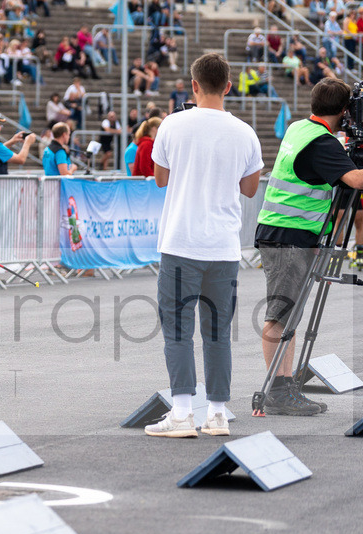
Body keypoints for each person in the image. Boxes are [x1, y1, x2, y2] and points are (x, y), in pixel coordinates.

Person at [145, 53, 263, 438]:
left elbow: (161, 179)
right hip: (223, 246)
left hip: (181, 242)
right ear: (228, 86)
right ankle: (217, 413)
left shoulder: (172, 124)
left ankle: (181, 413)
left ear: (193, 85)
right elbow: (249, 189)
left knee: (177, 330)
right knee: (218, 334)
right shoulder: (245, 132)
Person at [254, 77, 363, 415]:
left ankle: (285, 386)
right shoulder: (321, 143)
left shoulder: (301, 128)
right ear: (345, 112)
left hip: (286, 233)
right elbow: (356, 181)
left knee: (288, 315)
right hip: (288, 236)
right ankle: (277, 390)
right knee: (280, 315)